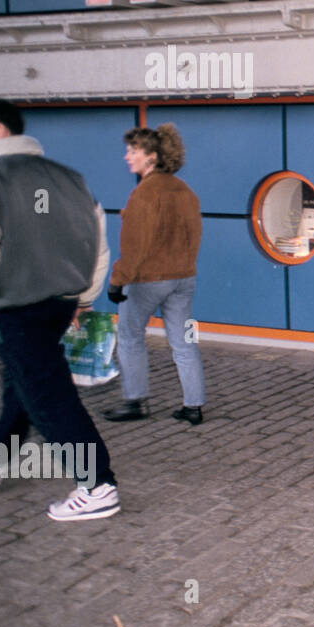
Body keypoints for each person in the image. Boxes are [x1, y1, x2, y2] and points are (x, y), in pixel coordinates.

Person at [0, 97, 120, 519]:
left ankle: (98, 485)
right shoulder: (70, 178)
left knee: (46, 394)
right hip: (62, 303)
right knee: (23, 383)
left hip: (13, 305)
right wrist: (84, 298)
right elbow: (98, 242)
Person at [104, 123, 206, 426]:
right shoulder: (185, 190)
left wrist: (117, 280)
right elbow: (194, 235)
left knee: (130, 336)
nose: (126, 157)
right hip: (183, 277)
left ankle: (135, 402)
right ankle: (193, 406)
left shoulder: (144, 194)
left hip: (147, 279)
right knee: (183, 341)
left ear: (151, 157)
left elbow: (135, 246)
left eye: (133, 151)